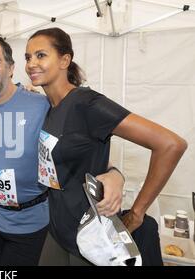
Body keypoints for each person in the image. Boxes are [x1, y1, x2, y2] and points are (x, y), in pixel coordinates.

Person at [0, 34, 125, 266]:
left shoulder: (41, 105)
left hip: (33, 222)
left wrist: (115, 173)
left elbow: (79, 149)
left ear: (11, 68)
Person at [24, 27, 187, 265]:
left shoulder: (86, 104)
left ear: (64, 60)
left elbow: (171, 144)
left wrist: (137, 214)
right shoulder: (50, 107)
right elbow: (83, 155)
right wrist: (113, 173)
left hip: (91, 239)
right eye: (28, 57)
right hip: (58, 230)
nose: (31, 64)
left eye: (41, 55)